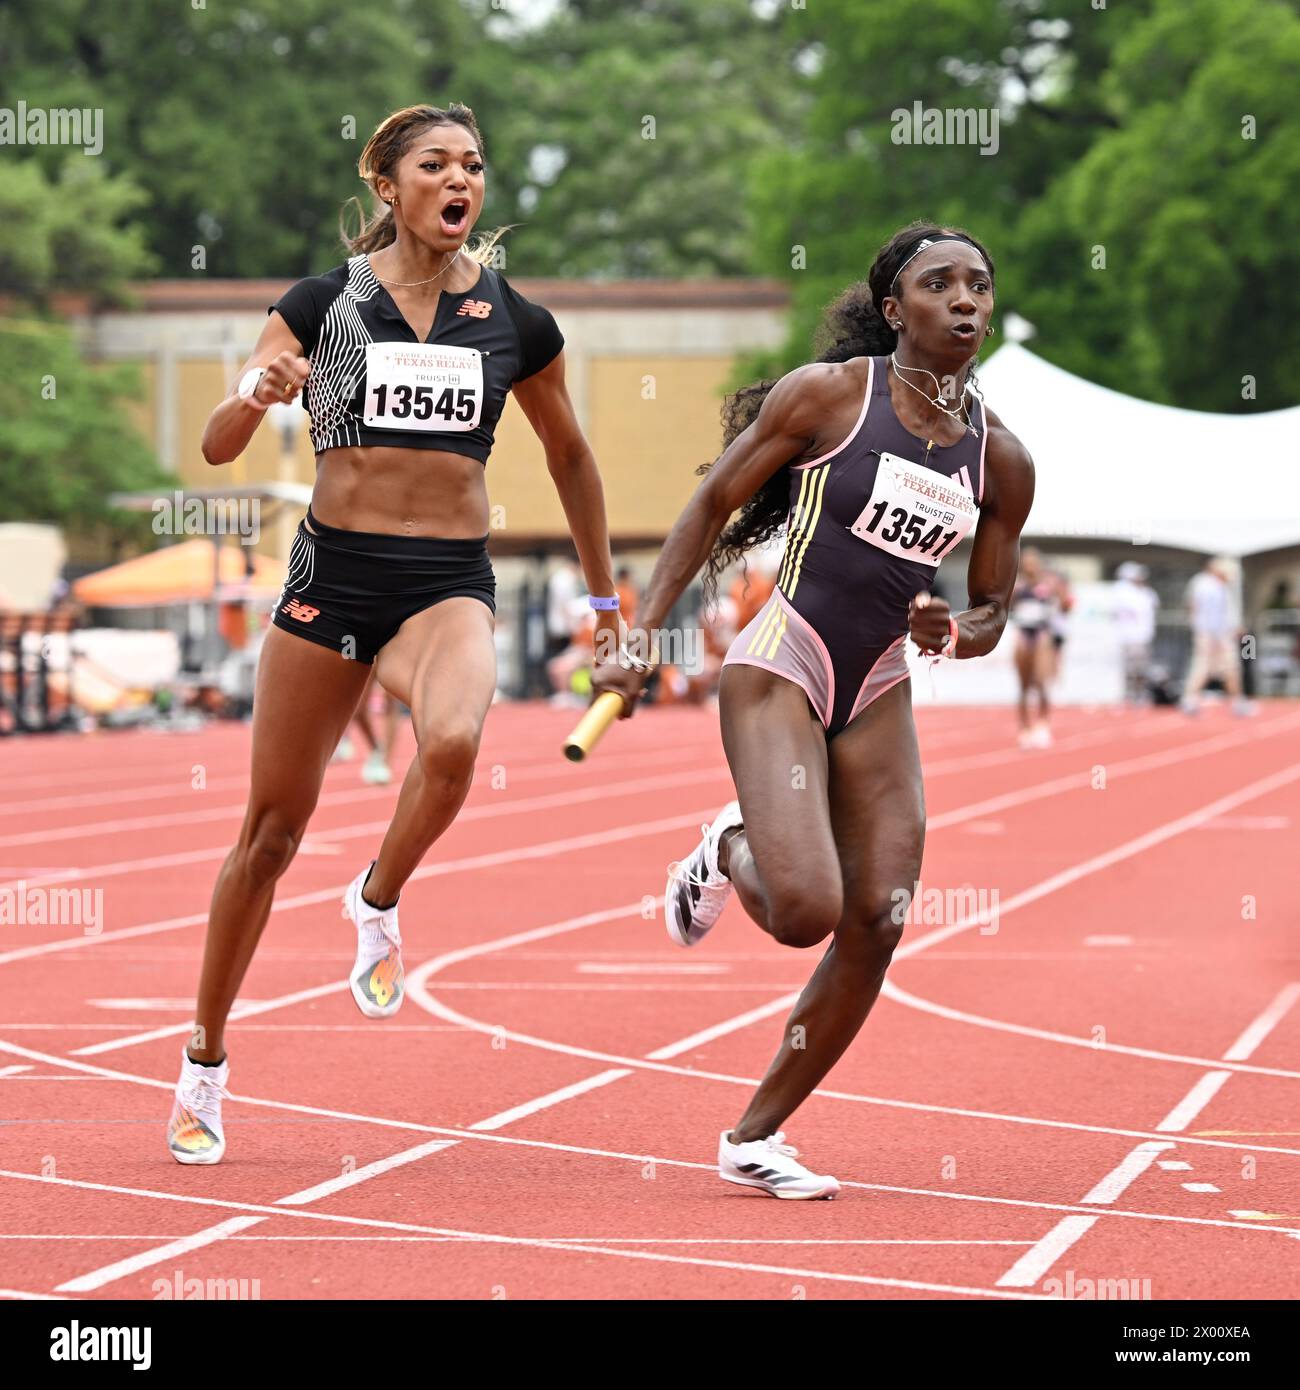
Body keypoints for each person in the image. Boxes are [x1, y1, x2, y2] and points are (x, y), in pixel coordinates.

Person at [168, 103, 620, 1164]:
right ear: (388, 186)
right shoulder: (323, 304)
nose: (459, 179)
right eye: (435, 164)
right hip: (333, 580)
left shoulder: (519, 321)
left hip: (445, 582)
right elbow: (220, 440)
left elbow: (572, 462)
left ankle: (377, 895)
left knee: (455, 745)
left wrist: (608, 612)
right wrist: (257, 391)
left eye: (472, 164)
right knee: (268, 834)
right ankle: (204, 1061)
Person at [593, 223, 1034, 1198]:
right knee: (803, 911)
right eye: (938, 284)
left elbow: (994, 608)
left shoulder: (999, 457)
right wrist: (642, 633)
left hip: (876, 682)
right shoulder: (829, 399)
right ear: (894, 310)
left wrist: (953, 631)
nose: (964, 300)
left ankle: (754, 1134)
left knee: (877, 914)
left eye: (978, 285)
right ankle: (725, 847)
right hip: (782, 663)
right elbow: (711, 502)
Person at [1181, 557, 1252, 716]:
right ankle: (1189, 700)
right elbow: (1198, 609)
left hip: (1219, 634)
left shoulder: (1220, 586)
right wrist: (1207, 634)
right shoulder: (1204, 584)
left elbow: (1224, 613)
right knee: (1204, 666)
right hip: (1210, 634)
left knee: (1230, 668)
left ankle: (1237, 701)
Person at [1008, 547, 1060, 747]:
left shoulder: (1048, 583)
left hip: (1041, 633)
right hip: (1023, 632)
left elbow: (1065, 603)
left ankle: (1043, 724)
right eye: (1026, 562)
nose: (1029, 566)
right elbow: (1007, 605)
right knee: (1023, 685)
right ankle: (1024, 728)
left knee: (1040, 681)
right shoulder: (1018, 585)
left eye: (1032, 562)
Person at [1112, 561, 1159, 704]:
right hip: (1128, 636)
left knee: (1141, 667)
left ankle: (1139, 692)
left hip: (1143, 635)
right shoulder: (1121, 591)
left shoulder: (1145, 592)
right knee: (1129, 667)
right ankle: (1129, 693)